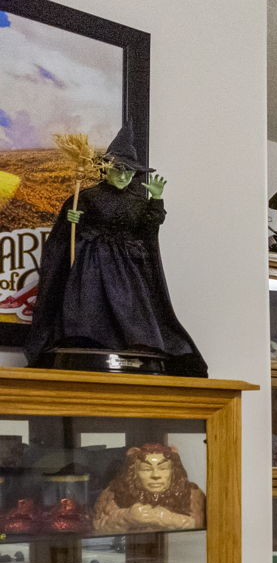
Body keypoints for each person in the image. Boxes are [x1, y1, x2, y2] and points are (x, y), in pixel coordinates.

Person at [23, 126, 207, 377]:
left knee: (131, 307)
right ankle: (85, 337)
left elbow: (149, 227)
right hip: (93, 263)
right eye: (118, 169)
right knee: (90, 302)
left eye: (128, 171)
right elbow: (67, 234)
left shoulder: (138, 201)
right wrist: (72, 220)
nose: (123, 175)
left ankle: (136, 342)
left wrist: (156, 199)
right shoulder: (88, 196)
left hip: (129, 268)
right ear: (106, 169)